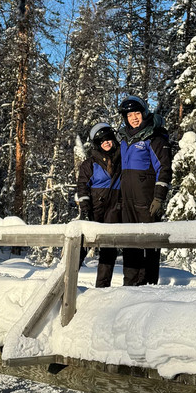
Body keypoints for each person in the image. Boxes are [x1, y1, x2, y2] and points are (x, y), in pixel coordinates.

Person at [117, 95, 172, 285]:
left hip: (147, 199)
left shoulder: (153, 136)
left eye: (136, 113)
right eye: (129, 115)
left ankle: (148, 285)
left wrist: (159, 197)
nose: (133, 117)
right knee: (129, 242)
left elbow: (164, 168)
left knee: (149, 242)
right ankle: (130, 284)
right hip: (127, 200)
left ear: (144, 113)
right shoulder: (124, 137)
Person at [75, 122, 121, 288]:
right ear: (97, 144)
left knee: (108, 250)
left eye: (109, 139)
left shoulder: (120, 159)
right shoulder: (89, 164)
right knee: (83, 246)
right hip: (94, 208)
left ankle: (102, 288)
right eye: (103, 141)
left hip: (114, 209)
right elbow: (82, 186)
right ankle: (67, 280)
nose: (107, 143)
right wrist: (85, 206)